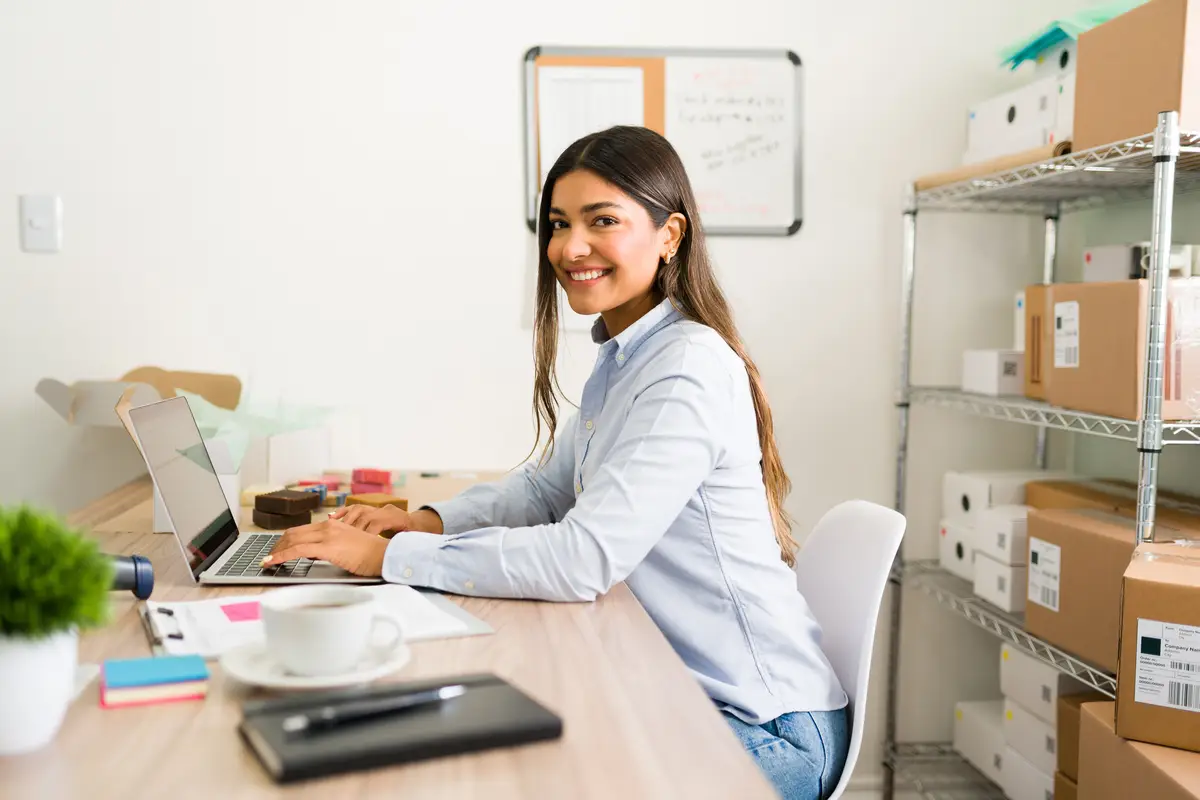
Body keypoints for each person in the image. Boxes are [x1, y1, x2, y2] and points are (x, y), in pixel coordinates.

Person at [262, 125, 849, 800]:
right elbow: (543, 493)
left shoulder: (686, 367)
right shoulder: (628, 356)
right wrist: (416, 523)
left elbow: (581, 559)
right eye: (558, 223)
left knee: (498, 773)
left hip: (762, 729)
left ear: (669, 236)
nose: (570, 248)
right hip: (682, 692)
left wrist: (385, 561)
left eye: (603, 221)